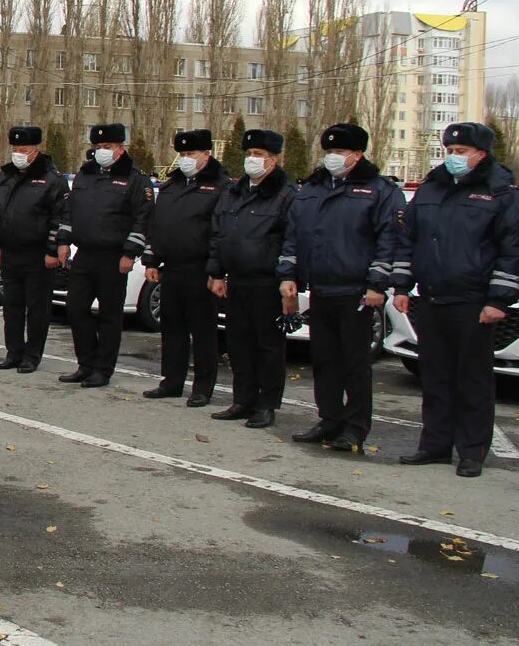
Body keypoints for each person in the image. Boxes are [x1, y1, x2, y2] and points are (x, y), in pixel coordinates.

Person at [392, 122, 519, 477]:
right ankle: (434, 445)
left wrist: (498, 300)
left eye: (461, 152)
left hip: (474, 301)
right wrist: (402, 286)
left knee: (473, 379)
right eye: (449, 151)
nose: (453, 157)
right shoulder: (432, 189)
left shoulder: (500, 194)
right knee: (435, 376)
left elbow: (511, 252)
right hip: (431, 297)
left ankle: (472, 451)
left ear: (481, 154)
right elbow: (408, 240)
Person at [279, 124, 403, 452]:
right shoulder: (313, 189)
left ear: (358, 154)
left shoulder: (378, 190)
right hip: (321, 288)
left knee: (355, 363)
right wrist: (288, 274)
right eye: (329, 151)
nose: (332, 157)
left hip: (357, 293)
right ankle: (329, 419)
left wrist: (378, 284)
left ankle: (355, 427)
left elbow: (387, 241)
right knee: (325, 360)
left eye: (340, 152)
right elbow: (294, 236)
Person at [207, 129, 294, 429]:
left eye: (258, 155)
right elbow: (219, 234)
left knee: (268, 346)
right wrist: (216, 272)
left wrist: (288, 280)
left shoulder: (285, 194)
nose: (251, 160)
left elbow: (290, 239)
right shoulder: (233, 191)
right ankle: (242, 400)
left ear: (274, 159)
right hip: (237, 280)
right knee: (239, 343)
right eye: (249, 154)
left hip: (268, 282)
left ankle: (266, 404)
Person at [56, 124, 154, 388]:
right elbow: (69, 212)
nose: (102, 152)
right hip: (85, 254)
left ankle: (102, 369)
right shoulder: (84, 175)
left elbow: (143, 219)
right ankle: (85, 363)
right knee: (75, 309)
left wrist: (131, 253)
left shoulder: (135, 179)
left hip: (114, 257)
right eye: (98, 147)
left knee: (110, 316)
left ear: (121, 149)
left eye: (107, 147)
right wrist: (63, 242)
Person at [141, 130, 225, 407]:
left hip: (200, 269)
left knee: (202, 331)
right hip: (172, 268)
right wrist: (151, 260)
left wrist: (216, 271)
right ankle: (172, 381)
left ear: (207, 155)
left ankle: (202, 387)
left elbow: (219, 232)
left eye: (192, 154)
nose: (186, 159)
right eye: (183, 154)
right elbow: (157, 225)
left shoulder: (220, 186)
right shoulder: (171, 186)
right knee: (172, 328)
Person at [0, 126, 69, 373]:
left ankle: (32, 355)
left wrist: (53, 250)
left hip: (38, 254)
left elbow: (60, 217)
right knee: (11, 307)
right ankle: (13, 352)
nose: (18, 154)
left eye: (23, 150)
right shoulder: (6, 176)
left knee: (37, 308)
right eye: (14, 150)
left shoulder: (51, 179)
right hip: (11, 252)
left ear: (36, 151)